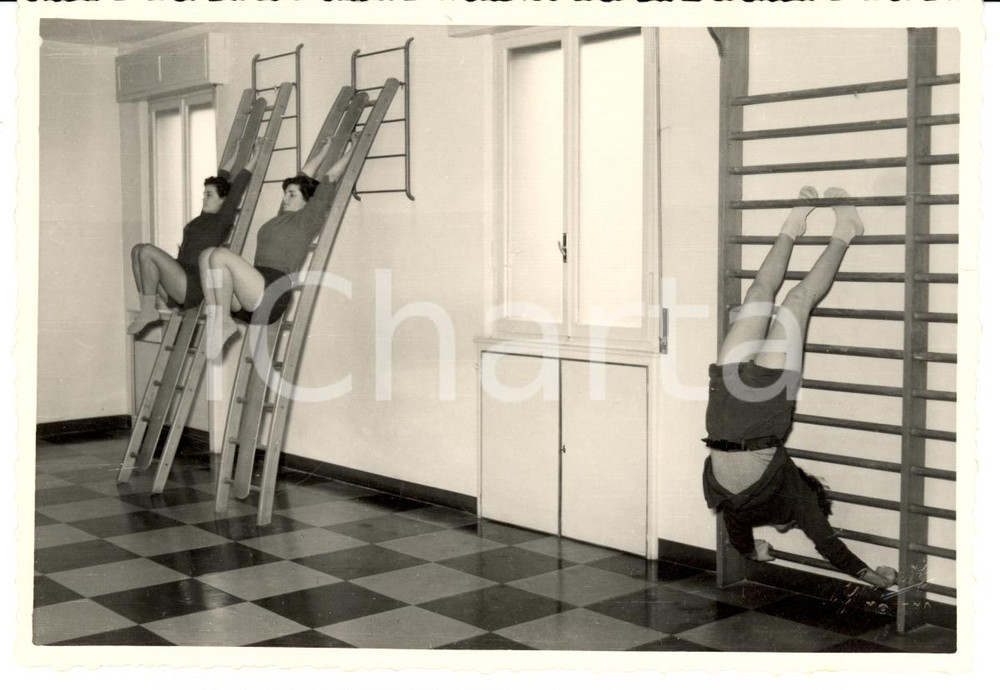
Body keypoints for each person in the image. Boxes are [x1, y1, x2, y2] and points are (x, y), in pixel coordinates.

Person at [702, 185, 898, 589]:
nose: (788, 527)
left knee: (757, 294)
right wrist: (875, 578)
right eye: (791, 526)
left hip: (725, 392)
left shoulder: (738, 510)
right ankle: (846, 229)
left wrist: (756, 552)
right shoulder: (798, 500)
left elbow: (739, 539)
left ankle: (793, 225)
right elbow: (829, 545)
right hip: (763, 405)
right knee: (797, 300)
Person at [198, 133, 357, 358]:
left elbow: (331, 176)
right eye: (285, 194)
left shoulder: (309, 218)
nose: (285, 198)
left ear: (307, 199)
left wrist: (354, 147)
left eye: (291, 194)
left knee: (220, 256)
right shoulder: (282, 215)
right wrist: (323, 150)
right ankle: (219, 317)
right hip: (249, 298)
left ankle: (221, 321)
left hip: (273, 293)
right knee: (207, 255)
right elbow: (304, 175)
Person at [127, 138, 261, 335]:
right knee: (137, 249)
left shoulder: (222, 219)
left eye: (209, 195)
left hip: (192, 284)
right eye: (203, 194)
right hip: (178, 277)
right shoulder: (202, 217)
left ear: (223, 201)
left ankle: (148, 311)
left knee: (147, 250)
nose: (203, 198)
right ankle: (147, 307)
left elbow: (238, 184)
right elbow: (221, 176)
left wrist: (255, 155)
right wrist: (237, 149)